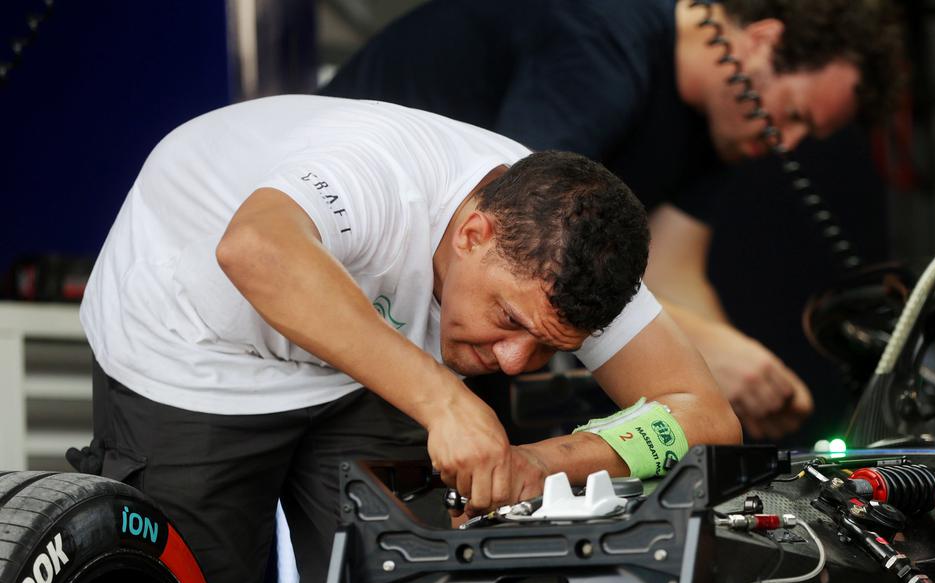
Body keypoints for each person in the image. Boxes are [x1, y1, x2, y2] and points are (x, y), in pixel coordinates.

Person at [75, 95, 740, 583]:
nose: (514, 363)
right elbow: (253, 249)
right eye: (508, 321)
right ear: (472, 233)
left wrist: (542, 464)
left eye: (547, 345)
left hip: (369, 350)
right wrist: (445, 403)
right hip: (196, 344)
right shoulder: (380, 175)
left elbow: (702, 415)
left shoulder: (572, 250)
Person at [321, 0, 904, 441]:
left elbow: (675, 270)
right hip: (356, 271)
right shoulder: (602, 48)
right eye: (793, 114)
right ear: (760, 41)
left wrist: (727, 371)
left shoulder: (720, 125)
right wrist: (703, 352)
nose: (788, 143)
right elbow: (527, 242)